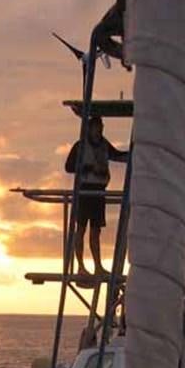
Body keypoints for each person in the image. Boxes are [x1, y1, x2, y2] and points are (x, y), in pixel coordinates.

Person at [65, 116, 129, 275]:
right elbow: (68, 167)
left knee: (96, 231)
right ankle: (80, 266)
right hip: (84, 191)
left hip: (99, 191)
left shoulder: (104, 145)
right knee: (81, 228)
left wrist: (134, 154)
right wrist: (85, 168)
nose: (99, 130)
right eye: (96, 127)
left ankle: (98, 266)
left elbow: (117, 155)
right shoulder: (80, 146)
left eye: (101, 127)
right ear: (89, 128)